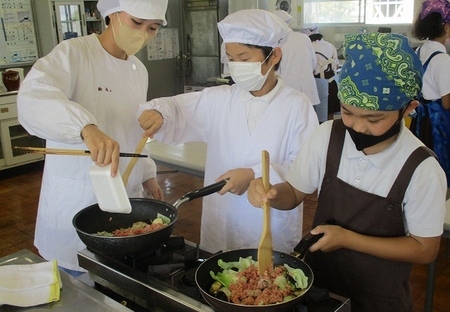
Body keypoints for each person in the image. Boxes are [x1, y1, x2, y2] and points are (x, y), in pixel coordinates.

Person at [247, 32, 446, 312]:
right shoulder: (328, 135)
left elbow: (424, 249)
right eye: (349, 112)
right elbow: (295, 193)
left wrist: (348, 239)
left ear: (408, 109)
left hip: (379, 306)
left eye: (374, 118)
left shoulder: (422, 168)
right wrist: (270, 192)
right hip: (317, 290)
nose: (357, 126)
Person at [137, 9, 319, 254]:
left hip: (268, 222)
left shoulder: (297, 105)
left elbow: (303, 167)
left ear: (274, 56)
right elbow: (177, 108)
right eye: (231, 59)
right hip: (222, 218)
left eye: (244, 59)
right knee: (219, 272)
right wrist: (159, 113)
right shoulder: (219, 99)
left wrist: (255, 175)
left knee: (265, 283)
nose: (236, 66)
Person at [17, 0, 166, 275]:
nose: (143, 33)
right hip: (77, 198)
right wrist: (85, 127)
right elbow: (33, 97)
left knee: (114, 281)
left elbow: (134, 132)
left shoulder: (138, 71)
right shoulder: (74, 53)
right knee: (77, 296)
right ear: (113, 14)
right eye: (136, 22)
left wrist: (147, 173)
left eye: (153, 27)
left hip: (125, 197)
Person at [411, 0, 450, 187]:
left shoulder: (419, 51)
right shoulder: (442, 60)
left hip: (421, 120)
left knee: (424, 165)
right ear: (447, 28)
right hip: (438, 125)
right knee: (441, 169)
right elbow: (447, 103)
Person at [272, 10, 320, 107]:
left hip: (286, 88)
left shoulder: (276, 41)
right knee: (308, 119)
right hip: (307, 87)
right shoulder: (304, 38)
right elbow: (314, 62)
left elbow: (274, 68)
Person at [304, 27, 341, 121]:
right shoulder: (330, 45)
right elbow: (336, 66)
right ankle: (329, 132)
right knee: (330, 113)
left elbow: (309, 67)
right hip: (332, 83)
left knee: (316, 115)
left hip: (317, 83)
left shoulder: (310, 47)